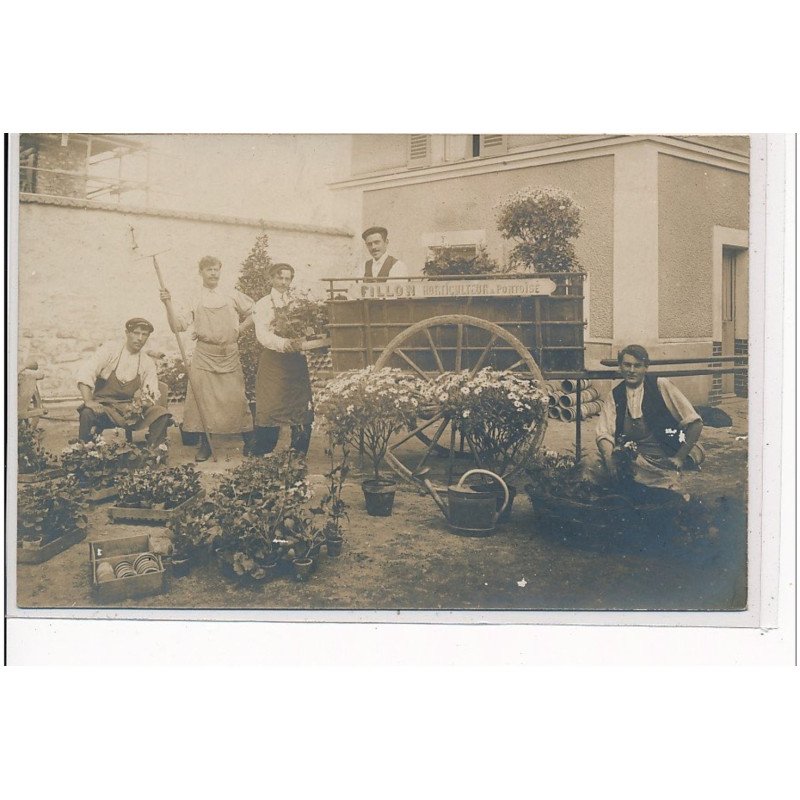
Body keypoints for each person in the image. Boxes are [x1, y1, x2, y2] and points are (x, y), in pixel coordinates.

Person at [160, 255, 254, 461]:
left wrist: (239, 329)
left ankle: (249, 440)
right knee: (202, 399)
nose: (213, 273)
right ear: (200, 272)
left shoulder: (231, 294)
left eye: (216, 269)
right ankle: (205, 444)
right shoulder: (194, 297)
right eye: (208, 269)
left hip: (229, 353)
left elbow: (254, 312)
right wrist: (167, 304)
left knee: (237, 397)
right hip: (204, 354)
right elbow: (178, 326)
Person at [595, 344, 704, 491]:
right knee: (593, 467)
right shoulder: (615, 395)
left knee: (667, 486)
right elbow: (604, 433)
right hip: (636, 456)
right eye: (627, 365)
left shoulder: (660, 385)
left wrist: (680, 457)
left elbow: (695, 423)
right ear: (620, 367)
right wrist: (609, 462)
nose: (631, 370)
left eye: (637, 366)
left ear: (646, 367)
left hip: (665, 455)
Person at [251, 263, 314, 456]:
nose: (284, 282)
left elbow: (307, 325)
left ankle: (299, 451)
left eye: (288, 279)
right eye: (280, 278)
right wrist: (285, 343)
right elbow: (262, 335)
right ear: (272, 279)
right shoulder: (262, 304)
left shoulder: (298, 302)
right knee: (270, 404)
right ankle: (264, 451)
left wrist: (306, 335)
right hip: (274, 360)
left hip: (296, 362)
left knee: (299, 404)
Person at [77, 318, 171, 446]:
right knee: (87, 413)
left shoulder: (146, 362)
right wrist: (89, 401)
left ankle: (154, 453)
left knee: (161, 413)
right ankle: (84, 453)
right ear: (127, 333)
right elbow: (86, 372)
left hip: (129, 411)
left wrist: (142, 404)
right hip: (105, 408)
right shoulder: (110, 351)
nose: (140, 338)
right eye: (136, 333)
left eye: (144, 335)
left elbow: (152, 392)